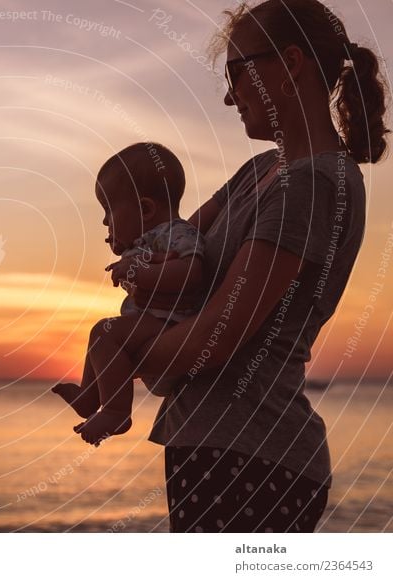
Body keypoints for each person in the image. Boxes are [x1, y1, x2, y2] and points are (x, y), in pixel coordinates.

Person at [127, 0, 388, 532]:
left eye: (236, 73)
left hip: (253, 458)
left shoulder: (312, 185)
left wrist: (123, 345)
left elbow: (215, 338)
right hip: (215, 446)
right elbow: (166, 243)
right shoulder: (261, 171)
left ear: (289, 64)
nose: (228, 96)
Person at [52, 143, 207, 446]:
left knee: (104, 332)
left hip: (171, 324)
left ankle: (116, 411)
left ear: (146, 209)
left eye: (109, 210)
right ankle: (89, 396)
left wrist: (139, 273)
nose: (104, 221)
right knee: (103, 336)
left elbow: (192, 272)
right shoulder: (149, 240)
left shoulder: (177, 233)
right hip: (154, 320)